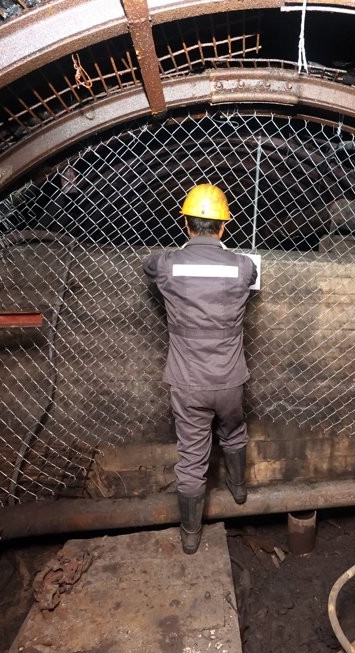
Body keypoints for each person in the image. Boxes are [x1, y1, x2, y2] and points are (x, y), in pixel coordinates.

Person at [143, 183, 258, 554]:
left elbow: (148, 265)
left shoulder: (167, 263)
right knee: (234, 432)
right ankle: (239, 491)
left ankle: (191, 537)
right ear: (223, 227)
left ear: (187, 224)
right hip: (229, 381)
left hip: (188, 383)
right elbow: (249, 278)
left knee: (192, 459)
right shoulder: (242, 265)